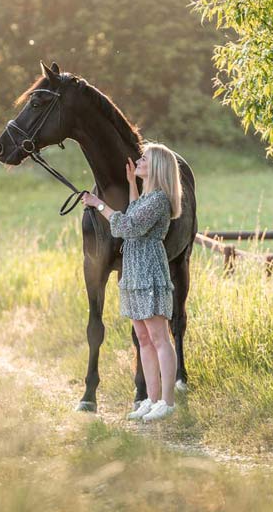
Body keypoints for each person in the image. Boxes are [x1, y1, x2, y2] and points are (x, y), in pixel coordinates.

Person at [81, 142, 183, 422]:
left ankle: (167, 401)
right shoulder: (148, 198)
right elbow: (135, 210)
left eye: (144, 159)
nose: (138, 161)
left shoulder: (160, 199)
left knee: (160, 338)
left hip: (148, 269)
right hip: (134, 271)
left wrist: (98, 204)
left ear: (157, 167)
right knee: (144, 339)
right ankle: (151, 399)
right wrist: (131, 184)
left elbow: (128, 226)